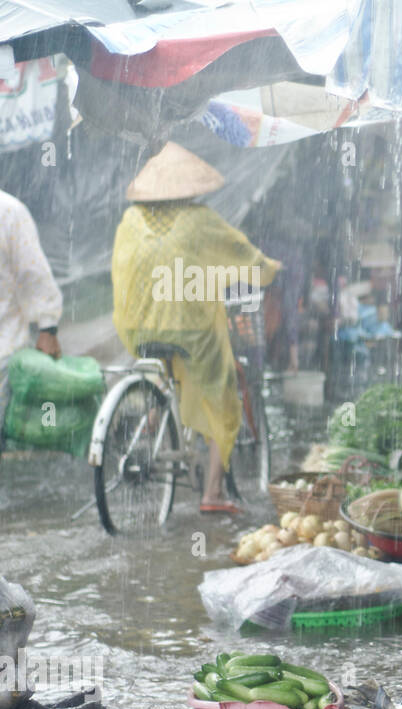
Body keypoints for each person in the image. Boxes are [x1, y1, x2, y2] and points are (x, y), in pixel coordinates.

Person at [111, 142, 280, 515]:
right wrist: (267, 268)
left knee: (169, 369)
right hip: (189, 327)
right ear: (191, 188)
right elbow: (241, 254)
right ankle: (213, 493)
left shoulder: (131, 221)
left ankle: (154, 423)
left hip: (138, 326)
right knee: (222, 393)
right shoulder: (198, 220)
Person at [0, 189, 62, 367]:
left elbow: (32, 271)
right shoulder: (8, 210)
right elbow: (33, 270)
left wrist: (48, 327)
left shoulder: (8, 211)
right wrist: (48, 328)